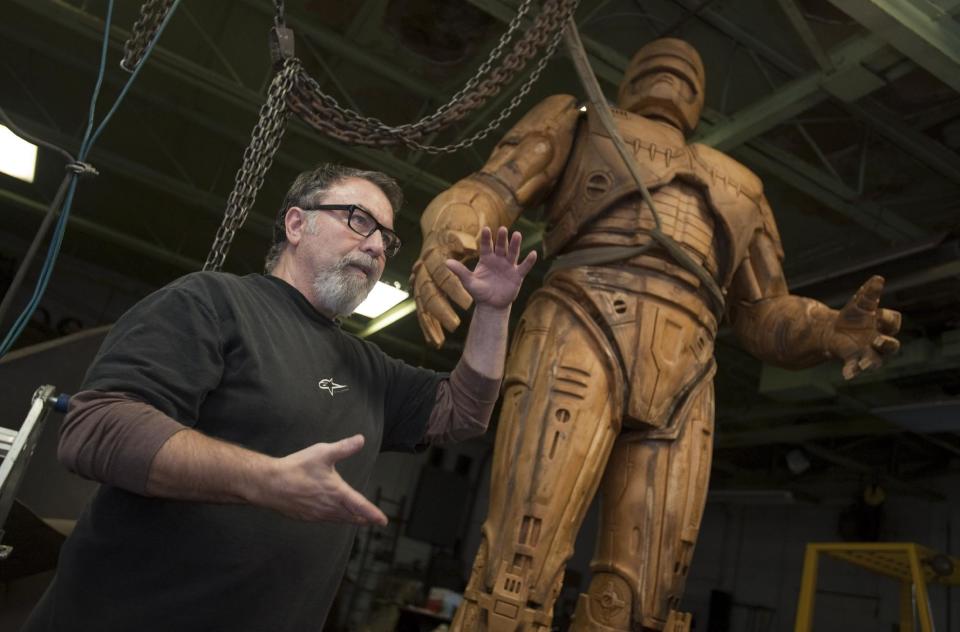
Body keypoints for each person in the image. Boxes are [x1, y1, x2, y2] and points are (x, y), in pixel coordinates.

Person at [410, 38, 902, 631]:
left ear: (704, 100)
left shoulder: (741, 184)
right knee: (520, 563)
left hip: (689, 364)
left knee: (646, 596)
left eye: (689, 71)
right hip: (580, 319)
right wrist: (451, 236)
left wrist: (828, 329)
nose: (673, 67)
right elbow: (491, 188)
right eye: (653, 61)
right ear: (625, 80)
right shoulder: (582, 119)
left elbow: (763, 312)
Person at [23, 163, 537, 632]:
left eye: (387, 238)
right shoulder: (213, 302)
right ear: (296, 224)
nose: (378, 246)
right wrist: (265, 480)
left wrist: (492, 311)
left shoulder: (369, 368)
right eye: (360, 220)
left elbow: (465, 412)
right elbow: (95, 429)